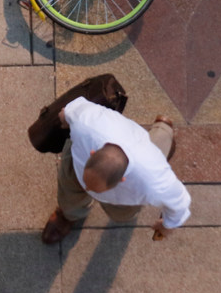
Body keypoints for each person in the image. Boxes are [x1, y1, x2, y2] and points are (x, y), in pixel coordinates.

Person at [41, 96, 191, 244]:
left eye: (96, 189)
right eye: (87, 182)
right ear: (93, 153)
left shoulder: (154, 182)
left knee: (123, 213)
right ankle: (67, 215)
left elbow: (180, 202)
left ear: (122, 179)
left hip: (141, 167)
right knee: (70, 189)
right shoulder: (86, 123)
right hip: (90, 154)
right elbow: (70, 109)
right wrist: (65, 118)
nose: (87, 189)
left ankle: (163, 131)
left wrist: (167, 225)